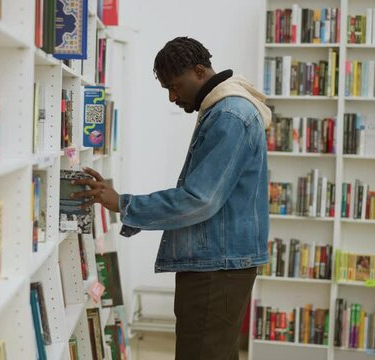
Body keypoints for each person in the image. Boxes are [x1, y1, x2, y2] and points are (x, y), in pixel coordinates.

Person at [71, 36, 272, 359]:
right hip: (220, 262)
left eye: (175, 86)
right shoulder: (223, 108)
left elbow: (200, 199)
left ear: (200, 71)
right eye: (167, 88)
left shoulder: (229, 115)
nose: (172, 97)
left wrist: (123, 203)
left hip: (217, 267)